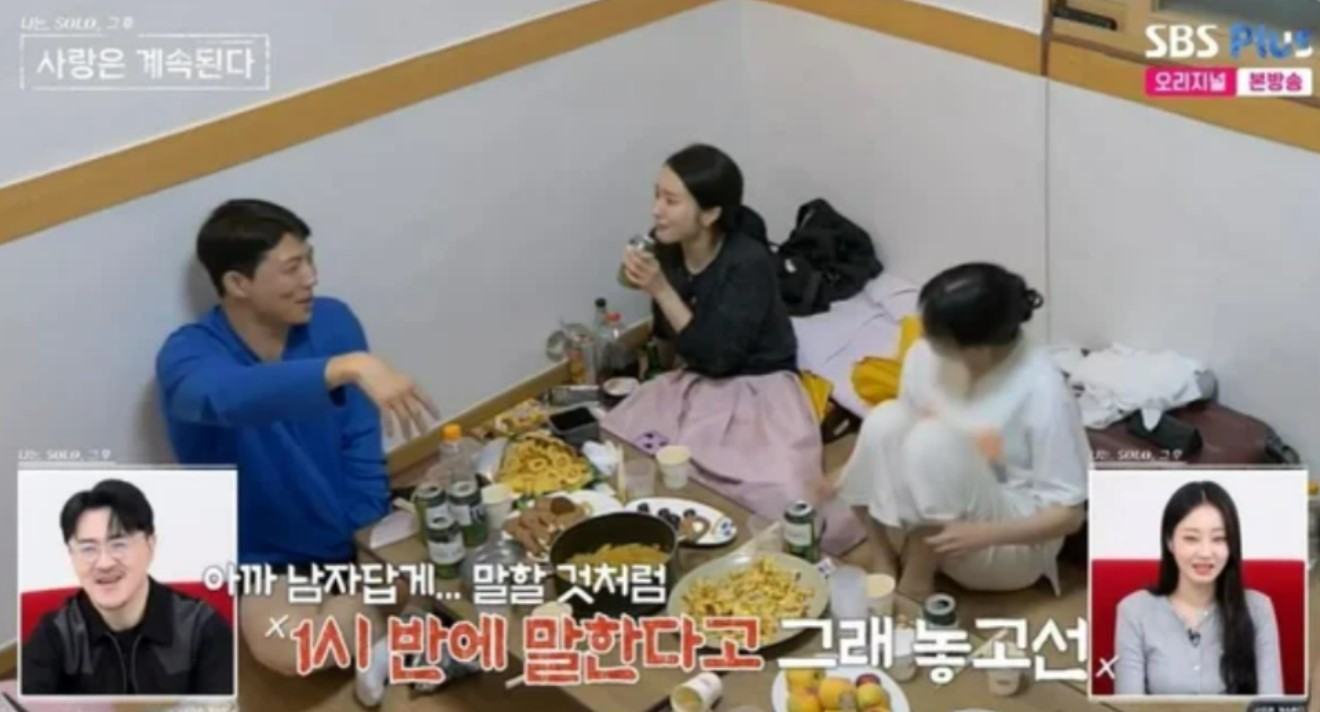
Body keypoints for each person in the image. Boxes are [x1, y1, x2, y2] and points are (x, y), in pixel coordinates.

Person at [155, 199, 439, 708]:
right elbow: (224, 397)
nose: (311, 278)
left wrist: (365, 533)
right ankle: (400, 621)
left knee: (451, 551)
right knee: (293, 650)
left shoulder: (333, 321)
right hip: (268, 558)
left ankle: (388, 617)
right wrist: (344, 368)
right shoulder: (189, 355)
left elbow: (360, 438)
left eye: (310, 259)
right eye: (292, 268)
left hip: (354, 528)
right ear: (238, 283)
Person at [604, 144, 862, 554]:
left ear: (709, 214)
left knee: (783, 498)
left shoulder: (749, 262)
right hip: (696, 374)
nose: (656, 210)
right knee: (620, 442)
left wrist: (661, 289)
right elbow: (670, 333)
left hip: (759, 383)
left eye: (671, 201)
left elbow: (719, 358)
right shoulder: (666, 247)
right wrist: (660, 374)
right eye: (656, 195)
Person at [833, 263, 1089, 598]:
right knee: (886, 419)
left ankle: (917, 582)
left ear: (977, 349)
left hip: (1007, 539)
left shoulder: (1044, 392)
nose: (926, 344)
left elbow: (1069, 516)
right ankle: (884, 555)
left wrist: (980, 535)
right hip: (936, 514)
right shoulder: (928, 352)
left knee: (934, 441)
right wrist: (849, 471)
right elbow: (903, 432)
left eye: (938, 341)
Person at [22, 479, 234, 696]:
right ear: (71, 555)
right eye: (88, 549)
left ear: (150, 545)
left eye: (119, 545)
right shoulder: (55, 634)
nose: (105, 563)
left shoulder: (201, 628)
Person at [1113, 481, 1282, 696]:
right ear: (1169, 541)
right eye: (1191, 538)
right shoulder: (1134, 611)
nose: (1205, 552)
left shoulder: (1258, 609)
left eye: (1219, 539)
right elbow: (1127, 705)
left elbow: (1272, 704)